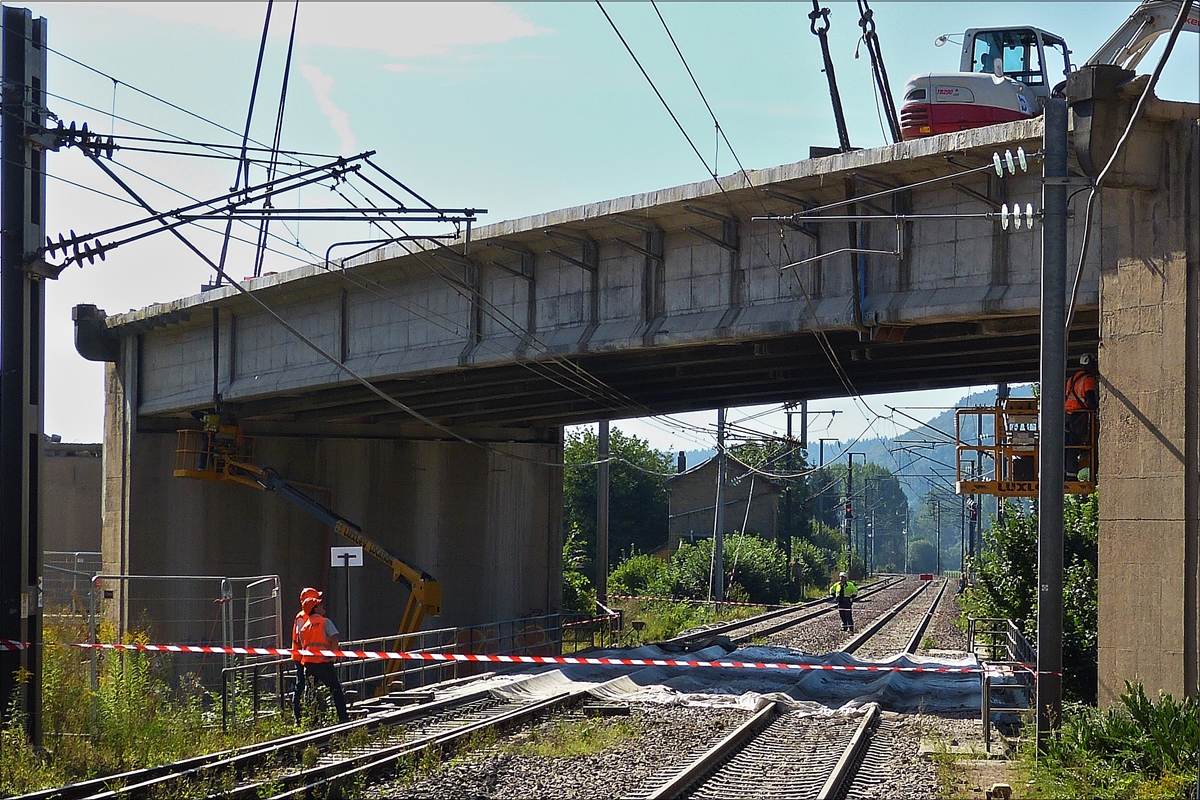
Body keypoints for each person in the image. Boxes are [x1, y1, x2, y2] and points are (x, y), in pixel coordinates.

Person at [295, 591, 350, 724]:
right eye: (320, 605)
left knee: (312, 692)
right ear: (315, 609)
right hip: (323, 662)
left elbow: (304, 645)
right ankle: (343, 718)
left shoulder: (304, 627)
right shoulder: (325, 622)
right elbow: (334, 636)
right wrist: (334, 655)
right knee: (335, 690)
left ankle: (313, 720)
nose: (322, 606)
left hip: (309, 664)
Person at [1065, 354, 1098, 479]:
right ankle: (1072, 475)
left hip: (1067, 415)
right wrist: (1095, 409)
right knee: (1075, 445)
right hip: (1078, 416)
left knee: (1067, 445)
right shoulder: (1088, 379)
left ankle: (1064, 473)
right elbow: (1090, 398)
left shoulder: (1072, 378)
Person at [290, 587, 320, 722]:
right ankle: (299, 716)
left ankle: (309, 713)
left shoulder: (305, 616)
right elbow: (301, 638)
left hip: (306, 656)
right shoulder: (302, 617)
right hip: (302, 657)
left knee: (307, 683)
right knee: (302, 684)